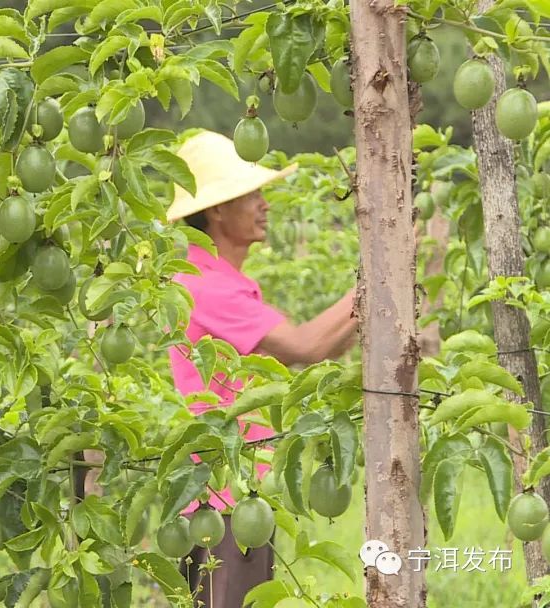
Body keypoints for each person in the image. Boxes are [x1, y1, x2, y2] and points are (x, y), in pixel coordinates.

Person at [164, 130, 360, 607]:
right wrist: (378, 275)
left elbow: (315, 348)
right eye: (250, 194)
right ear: (216, 209)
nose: (263, 203)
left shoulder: (220, 282)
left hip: (236, 499)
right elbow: (306, 346)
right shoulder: (205, 287)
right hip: (225, 505)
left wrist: (378, 294)